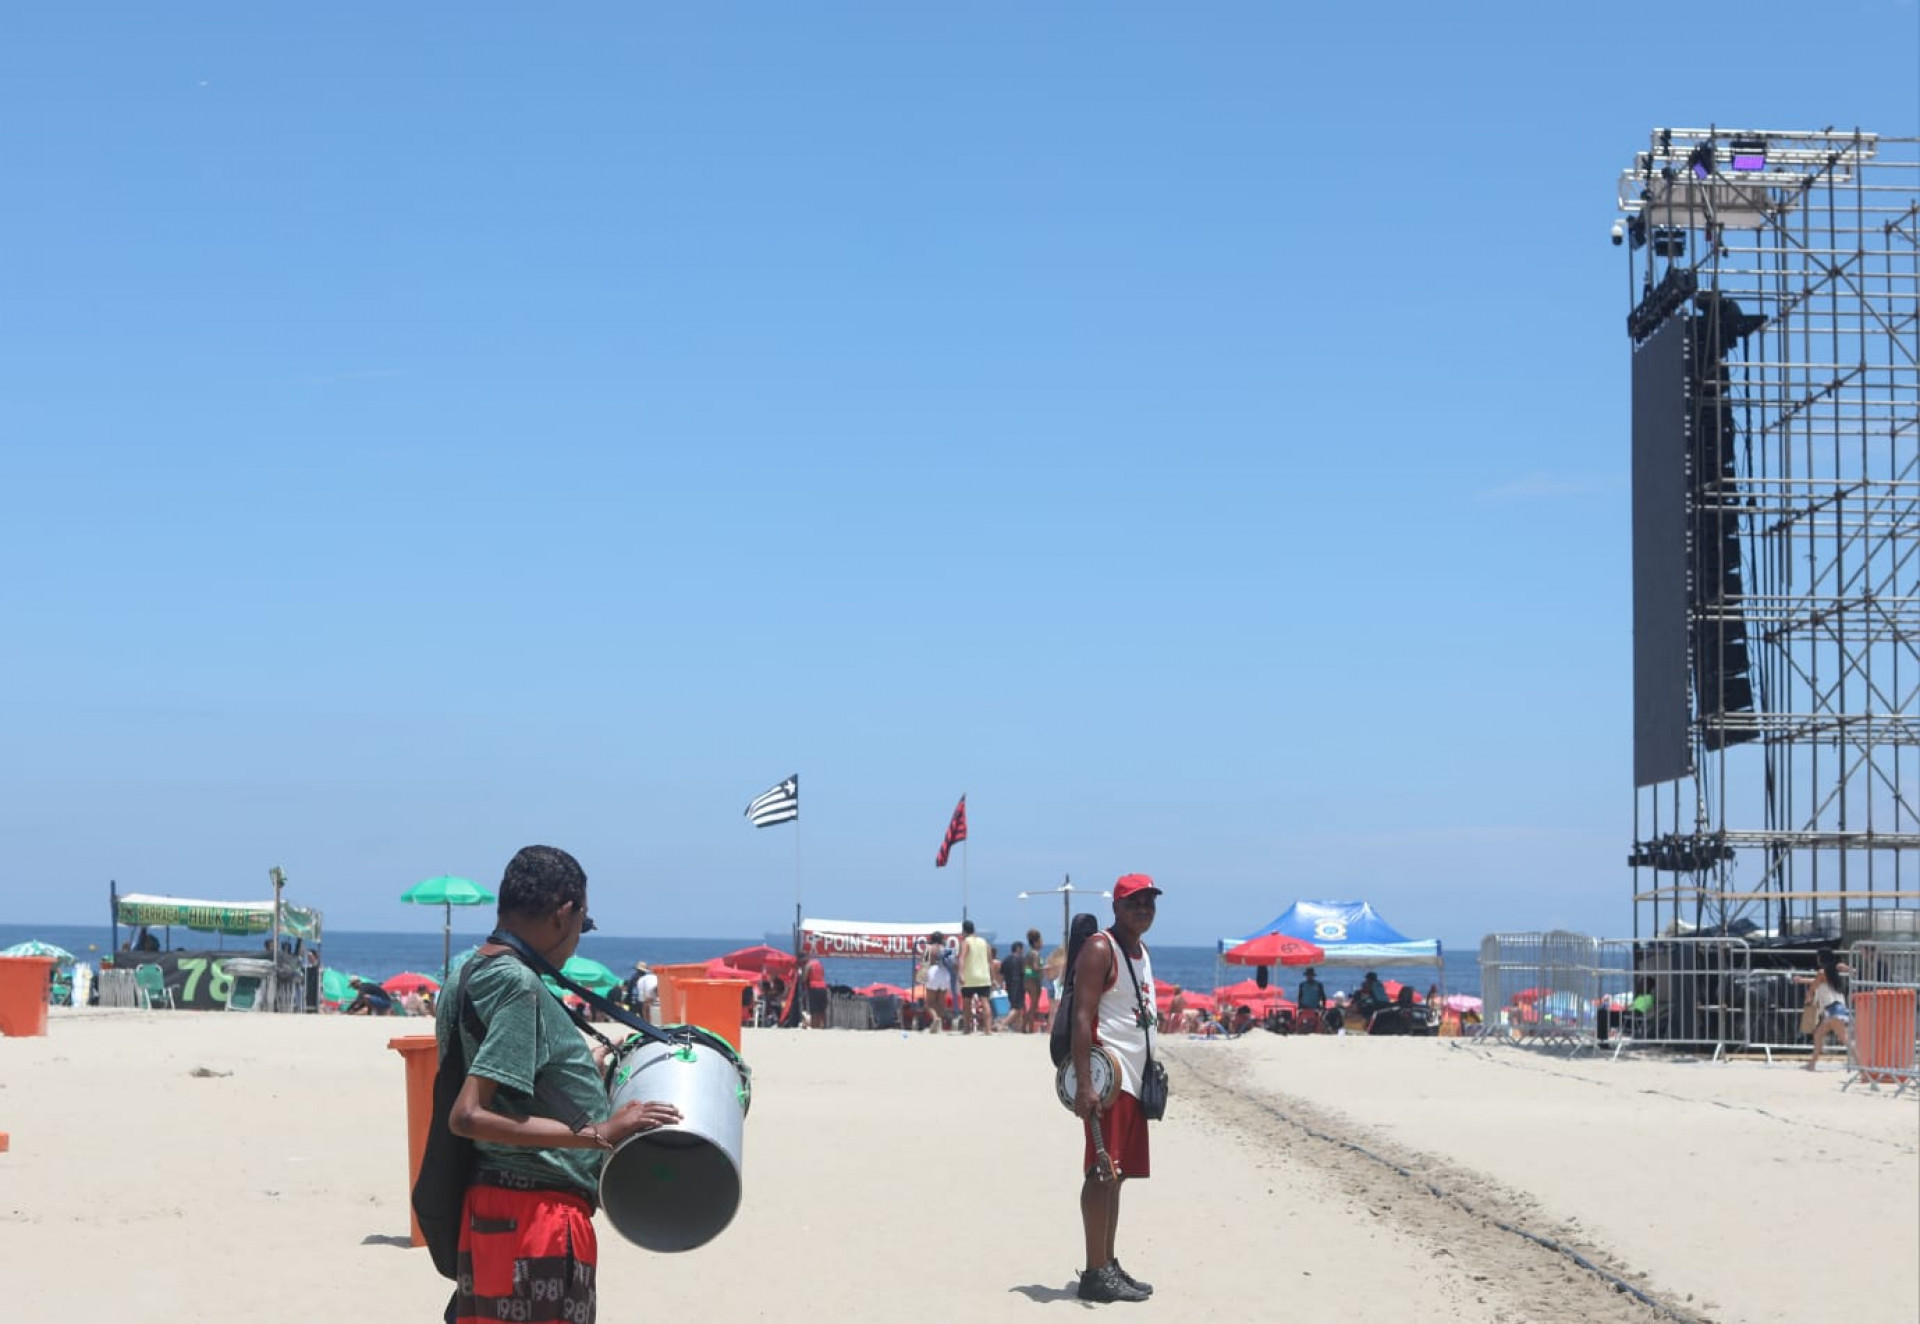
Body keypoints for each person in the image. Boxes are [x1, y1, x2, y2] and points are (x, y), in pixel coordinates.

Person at [435, 844, 681, 1324]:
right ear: (565, 912)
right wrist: (601, 1132)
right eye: (583, 925)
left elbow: (506, 1079)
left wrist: (580, 1065)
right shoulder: (518, 985)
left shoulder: (466, 972)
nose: (576, 940)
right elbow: (469, 1114)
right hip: (537, 1219)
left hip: (489, 1211)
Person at [1070, 872, 1163, 1304]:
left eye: (1149, 902)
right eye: (1134, 902)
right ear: (1116, 907)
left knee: (1117, 1174)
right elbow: (1082, 1016)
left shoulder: (1140, 950)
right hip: (1110, 1080)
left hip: (1135, 1079)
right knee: (1100, 1171)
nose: (1143, 909)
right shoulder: (1099, 948)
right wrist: (1085, 1086)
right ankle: (1093, 1272)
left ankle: (1106, 1263)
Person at [1797, 952, 1852, 1071]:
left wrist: (1809, 995)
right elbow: (1816, 981)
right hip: (1834, 1010)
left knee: (1845, 1039)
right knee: (1818, 1035)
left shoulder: (1822, 973)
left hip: (1834, 1010)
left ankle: (1862, 1063)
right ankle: (1812, 1064)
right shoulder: (1829, 973)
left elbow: (1815, 984)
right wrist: (1802, 981)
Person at [957, 919, 994, 1034]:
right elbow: (990, 961)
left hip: (970, 977)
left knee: (967, 1003)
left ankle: (967, 1029)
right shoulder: (984, 942)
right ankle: (988, 1029)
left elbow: (962, 957)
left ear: (964, 931)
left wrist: (961, 973)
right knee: (985, 1003)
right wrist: (992, 977)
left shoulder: (965, 942)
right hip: (984, 976)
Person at [923, 935, 953, 1032]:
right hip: (945, 973)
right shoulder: (945, 949)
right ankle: (939, 1024)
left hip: (933, 971)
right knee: (941, 1001)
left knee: (929, 1002)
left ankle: (935, 1018)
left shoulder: (929, 948)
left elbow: (925, 962)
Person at [1000, 941, 1029, 1032]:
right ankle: (1002, 1024)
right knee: (1017, 1008)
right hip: (1018, 985)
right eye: (1022, 949)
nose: (1023, 951)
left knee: (1015, 1007)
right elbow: (1026, 973)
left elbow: (1001, 974)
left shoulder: (1006, 960)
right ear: (1018, 949)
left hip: (1009, 985)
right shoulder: (1022, 959)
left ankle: (1018, 1028)